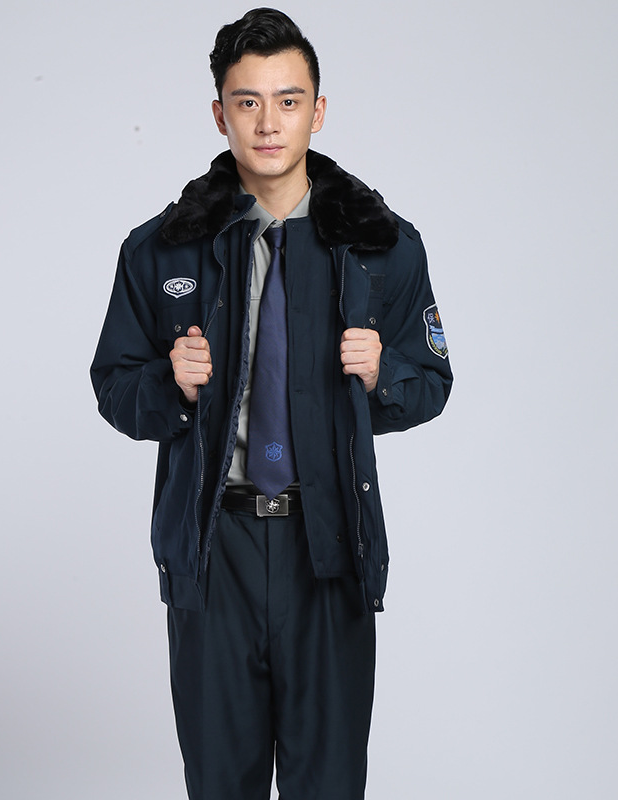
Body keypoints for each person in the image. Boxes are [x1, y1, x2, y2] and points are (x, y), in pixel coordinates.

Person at [91, 8, 452, 799]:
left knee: (329, 782)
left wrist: (383, 373)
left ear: (317, 112)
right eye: (247, 102)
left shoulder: (383, 246)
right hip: (213, 546)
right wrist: (168, 383)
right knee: (221, 781)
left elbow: (431, 383)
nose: (267, 123)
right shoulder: (160, 247)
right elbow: (113, 385)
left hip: (329, 545)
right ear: (219, 113)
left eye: (288, 101)